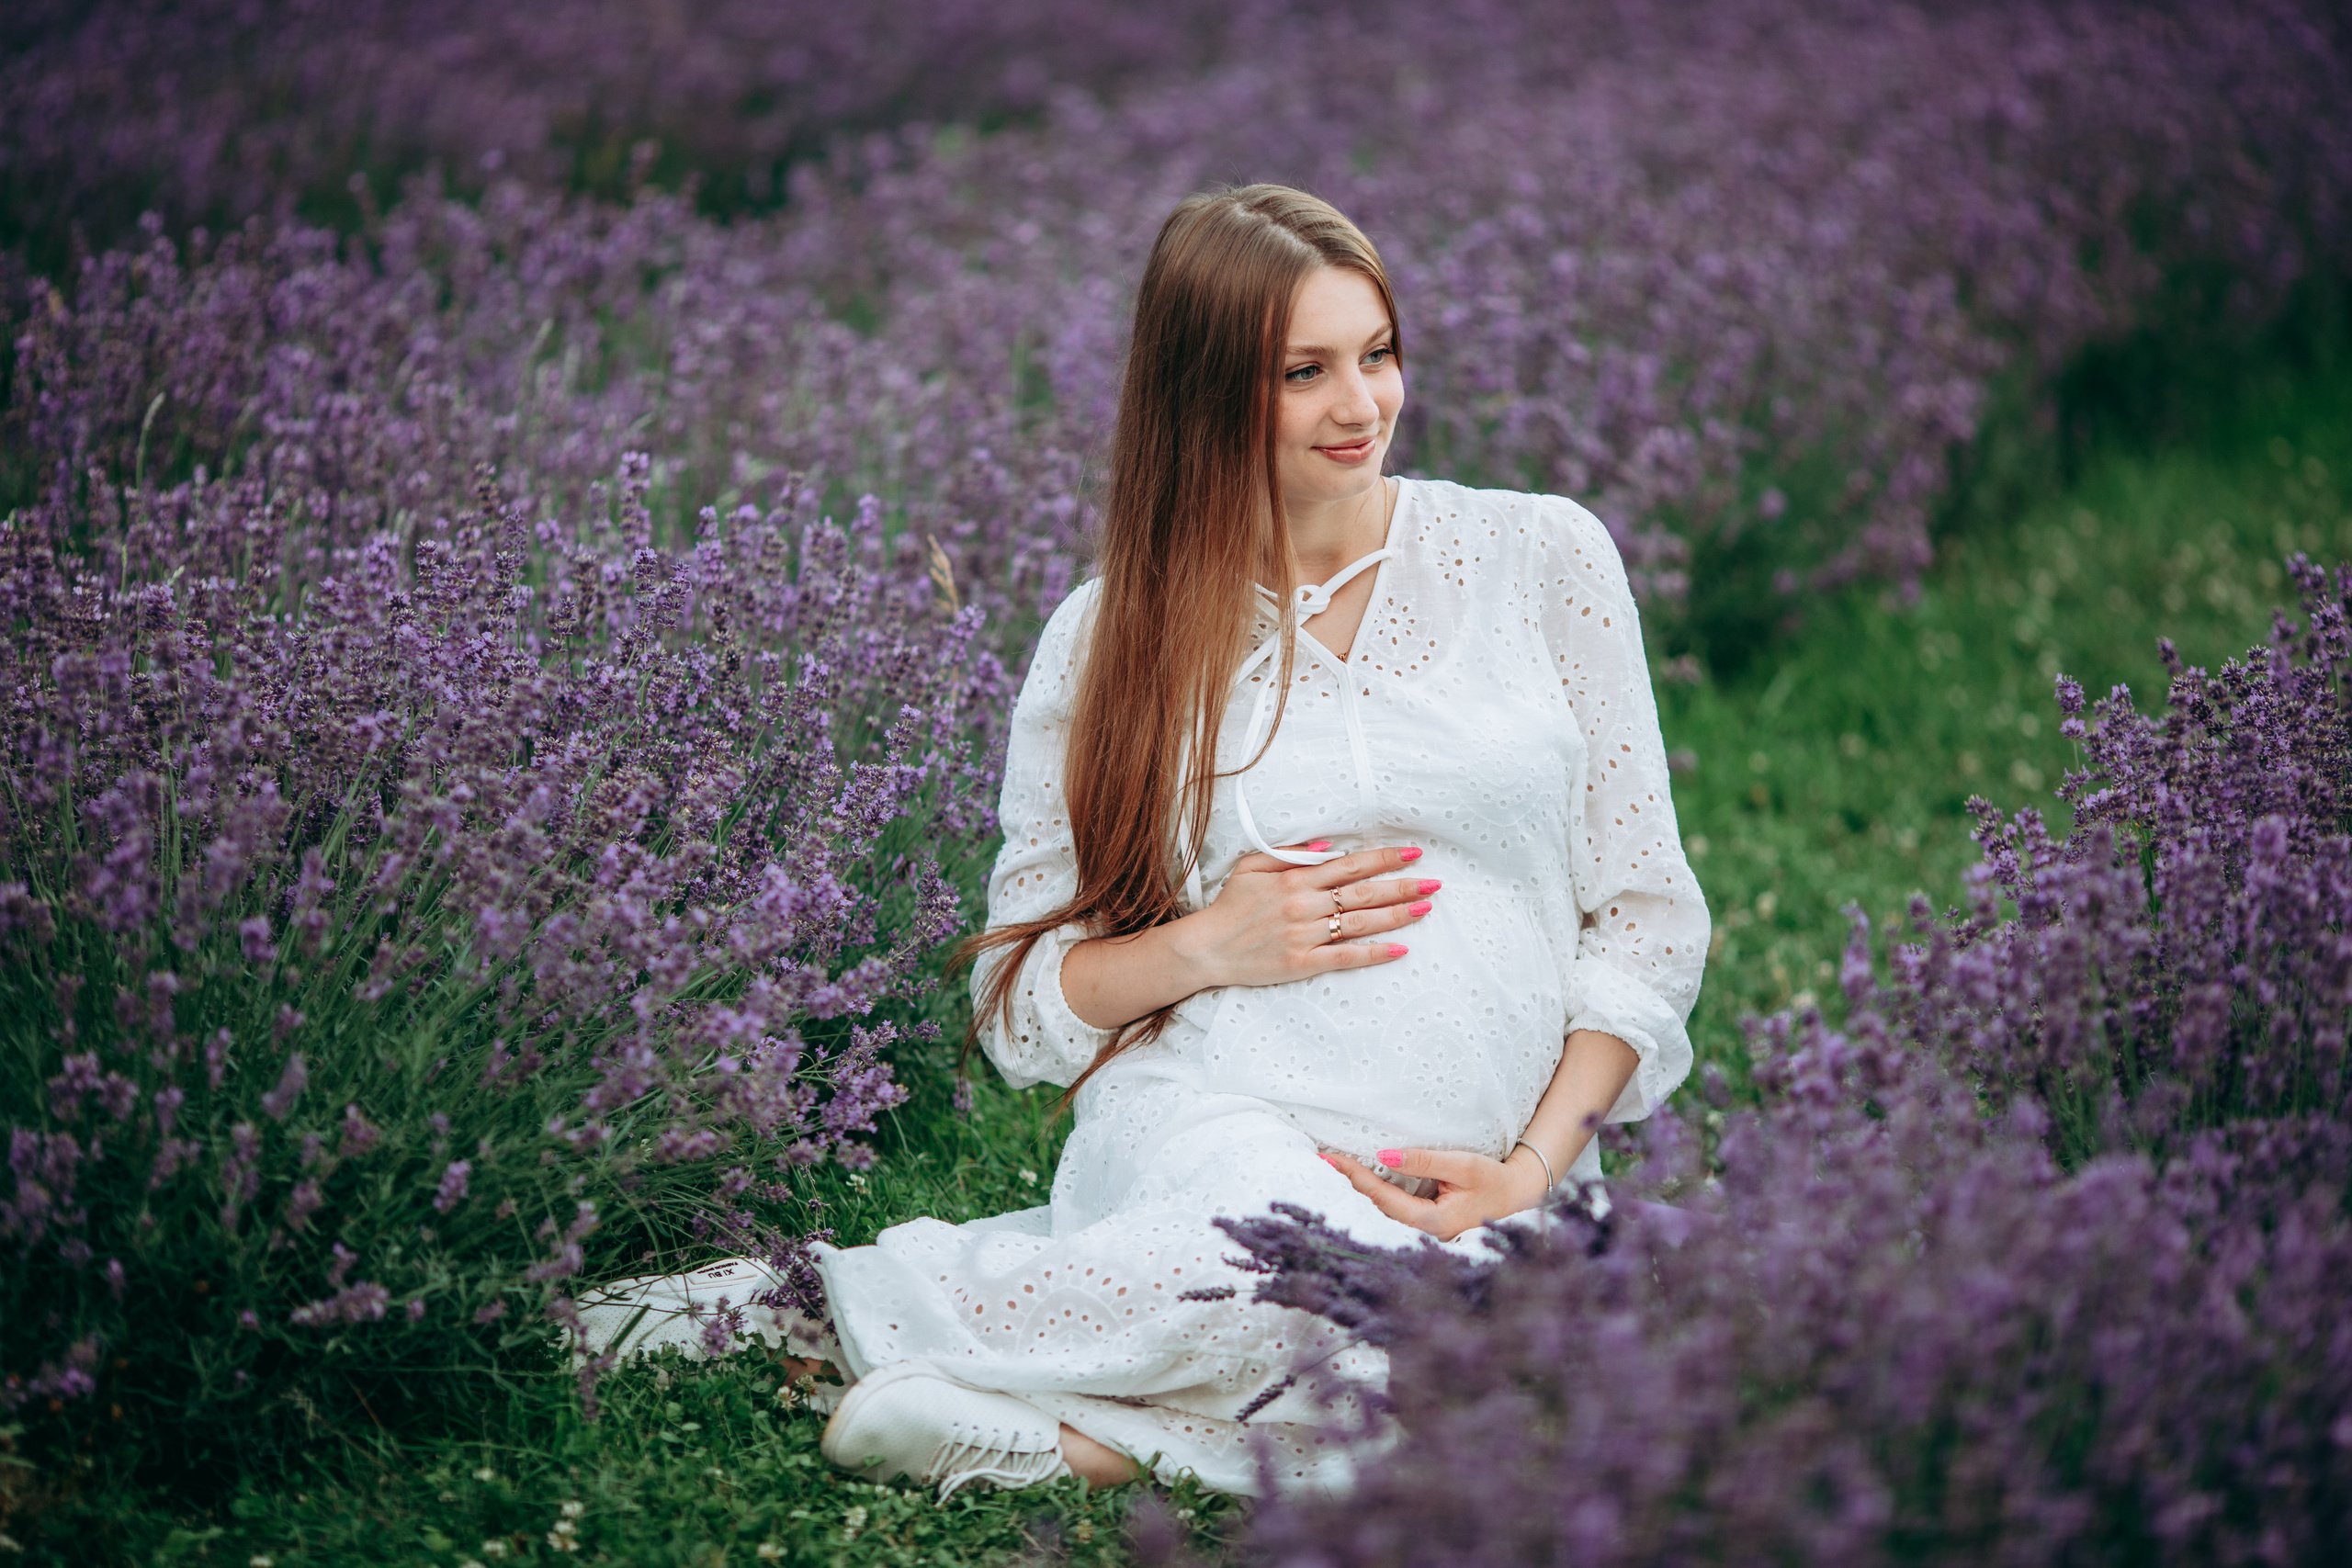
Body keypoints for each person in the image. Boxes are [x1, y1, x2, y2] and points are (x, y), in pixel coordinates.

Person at [575, 184, 1708, 1499]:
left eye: (1378, 353)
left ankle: (1039, 1433)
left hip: (1480, 1160)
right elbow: (1022, 999)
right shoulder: (1113, 635)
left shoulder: (1542, 557)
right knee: (1306, 1292)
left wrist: (1528, 1171)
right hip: (1220, 1118)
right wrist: (1208, 944)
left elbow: (1642, 919)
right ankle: (809, 1308)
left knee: (1513, 1357)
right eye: (1306, 373)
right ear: (1207, 394)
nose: (1364, 407)